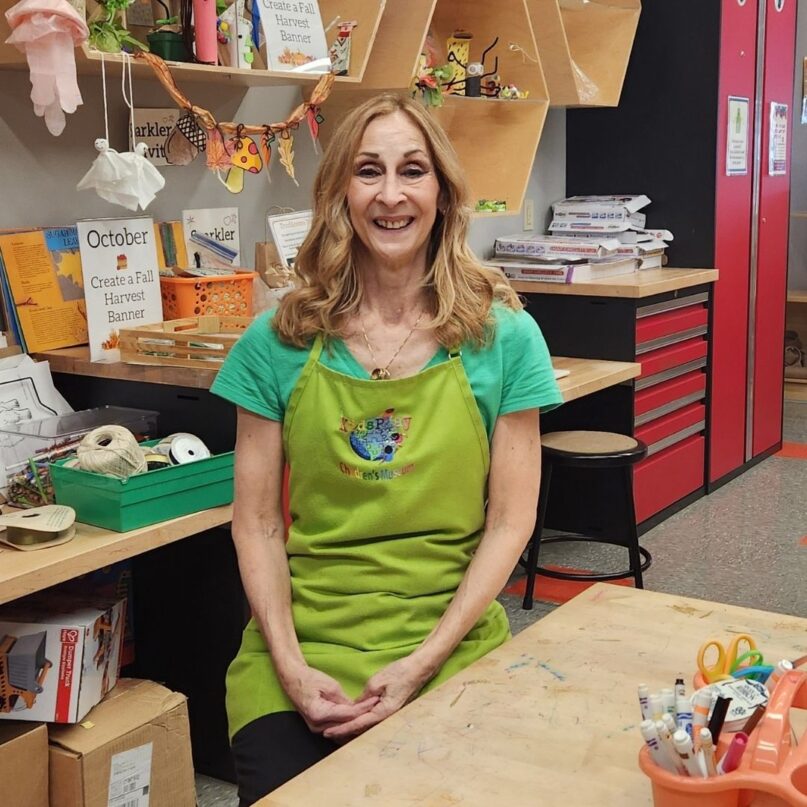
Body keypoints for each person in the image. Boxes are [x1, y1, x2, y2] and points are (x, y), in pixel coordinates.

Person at [210, 92, 563, 805]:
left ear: (443, 193)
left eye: (413, 170)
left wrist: (421, 664)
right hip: (302, 644)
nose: (391, 194)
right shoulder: (277, 341)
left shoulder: (503, 337)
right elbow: (257, 524)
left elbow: (509, 522)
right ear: (340, 192)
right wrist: (289, 666)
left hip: (450, 641)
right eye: (368, 170)